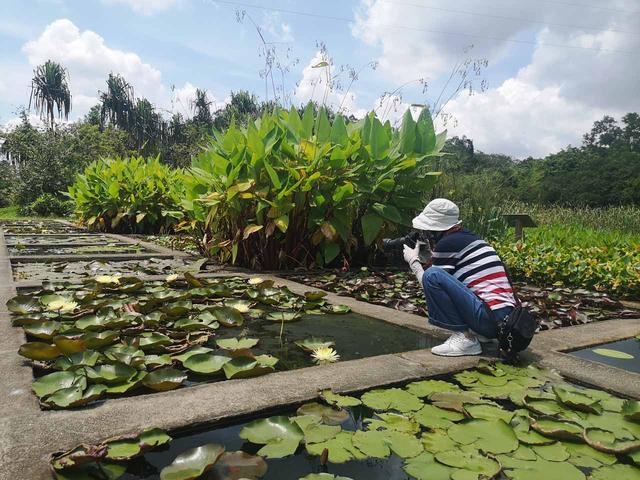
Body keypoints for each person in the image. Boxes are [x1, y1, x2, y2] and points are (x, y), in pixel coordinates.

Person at [402, 198, 516, 357]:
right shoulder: (472, 239)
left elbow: (430, 283)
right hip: (505, 324)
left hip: (489, 320)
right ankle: (478, 334)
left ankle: (465, 339)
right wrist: (428, 255)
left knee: (431, 275)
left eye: (428, 231)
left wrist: (413, 261)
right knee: (435, 274)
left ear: (437, 229)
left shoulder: (448, 243)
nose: (426, 235)